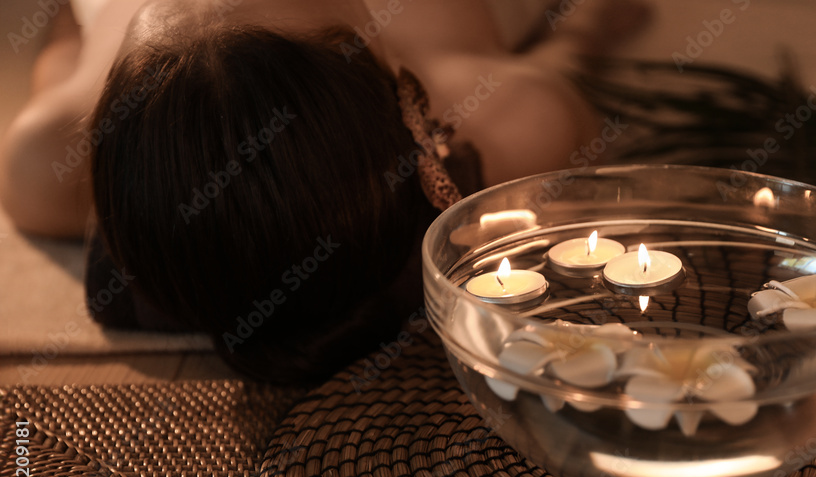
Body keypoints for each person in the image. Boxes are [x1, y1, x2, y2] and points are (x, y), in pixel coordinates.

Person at [0, 0, 649, 383]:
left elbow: (65, 48)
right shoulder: (513, 117)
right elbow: (555, 86)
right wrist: (579, 38)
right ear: (411, 109)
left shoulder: (40, 167)